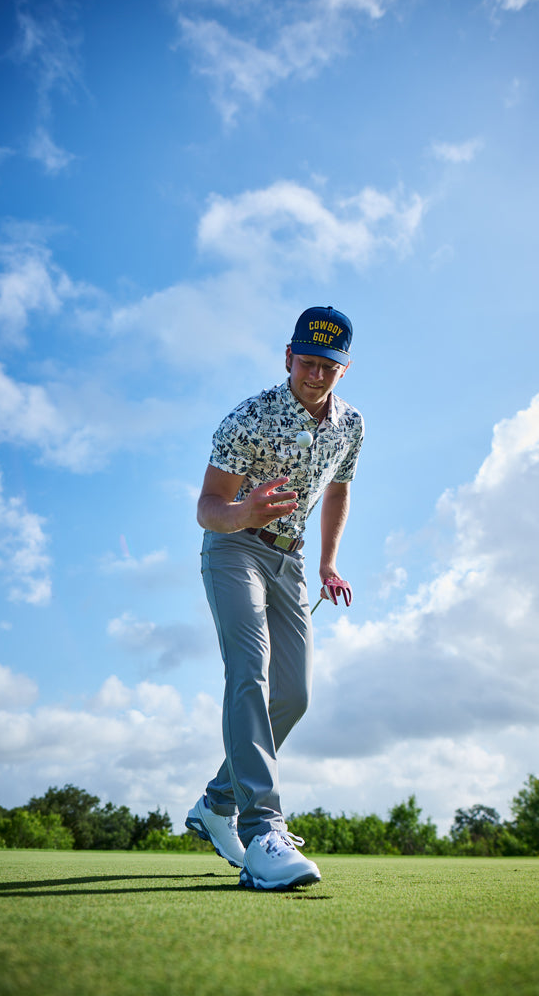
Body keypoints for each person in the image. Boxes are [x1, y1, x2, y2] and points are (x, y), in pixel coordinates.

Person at [185, 305, 364, 890]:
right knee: (250, 674)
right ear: (288, 358)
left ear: (345, 370)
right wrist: (246, 510)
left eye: (328, 367)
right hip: (234, 547)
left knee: (296, 694)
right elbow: (208, 508)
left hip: (290, 562)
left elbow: (338, 489)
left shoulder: (351, 425)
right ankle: (262, 828)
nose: (315, 376)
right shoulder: (249, 418)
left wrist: (328, 562)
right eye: (307, 363)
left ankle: (215, 803)